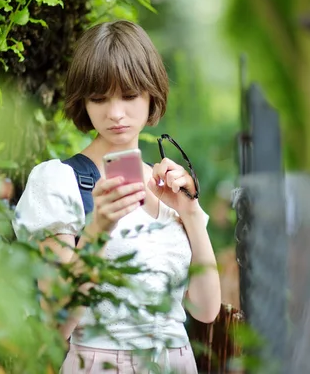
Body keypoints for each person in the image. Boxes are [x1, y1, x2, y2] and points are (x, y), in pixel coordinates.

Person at [13, 20, 221, 373]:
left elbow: (205, 308)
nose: (115, 113)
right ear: (84, 101)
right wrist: (97, 230)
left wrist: (189, 211)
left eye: (129, 95)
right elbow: (55, 324)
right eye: (99, 98)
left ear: (151, 93)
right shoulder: (60, 182)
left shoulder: (168, 184)